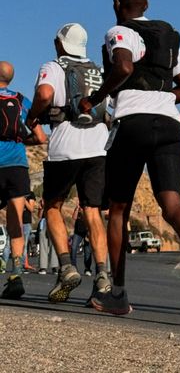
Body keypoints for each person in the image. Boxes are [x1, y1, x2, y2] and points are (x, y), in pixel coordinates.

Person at [79, 0, 180, 316]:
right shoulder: (168, 38)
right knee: (171, 204)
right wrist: (159, 96)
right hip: (169, 124)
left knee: (118, 209)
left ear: (117, 3)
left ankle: (118, 293)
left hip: (132, 123)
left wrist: (95, 98)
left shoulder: (119, 31)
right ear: (147, 5)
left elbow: (124, 66)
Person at [26, 23, 111, 305]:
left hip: (65, 147)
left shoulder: (53, 66)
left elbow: (44, 94)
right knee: (92, 211)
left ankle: (66, 267)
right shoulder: (97, 70)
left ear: (59, 44)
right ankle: (102, 275)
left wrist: (33, 117)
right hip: (98, 146)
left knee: (52, 205)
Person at [0, 61, 46, 299]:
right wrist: (20, 141)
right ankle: (16, 274)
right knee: (16, 221)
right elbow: (40, 137)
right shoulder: (22, 100)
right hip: (17, 165)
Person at [71, 202, 93, 275]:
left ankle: (87, 269)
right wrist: (77, 209)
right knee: (73, 248)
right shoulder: (78, 208)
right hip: (78, 232)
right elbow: (74, 218)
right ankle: (73, 266)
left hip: (87, 231)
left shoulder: (89, 209)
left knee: (87, 251)